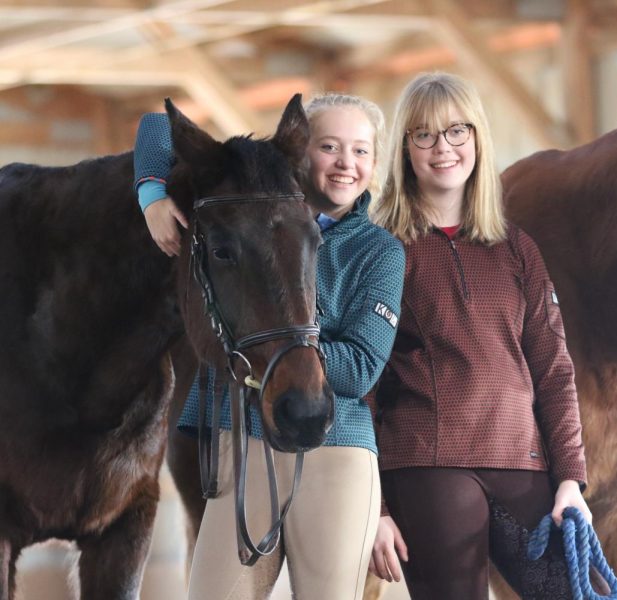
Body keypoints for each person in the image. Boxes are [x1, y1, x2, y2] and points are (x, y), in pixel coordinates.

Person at [133, 93, 405, 600]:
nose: (347, 163)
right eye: (329, 146)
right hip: (242, 437)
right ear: (299, 153)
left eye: (362, 150)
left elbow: (363, 366)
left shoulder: (379, 252)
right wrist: (152, 196)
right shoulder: (252, 218)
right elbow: (156, 125)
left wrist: (277, 349)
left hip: (337, 446)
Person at [367, 71, 591, 599]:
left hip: (522, 460)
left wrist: (570, 480)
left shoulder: (517, 249)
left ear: (477, 139)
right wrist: (373, 508)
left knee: (586, 591)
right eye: (424, 135)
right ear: (405, 149)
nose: (442, 148)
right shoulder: (382, 251)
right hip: (426, 463)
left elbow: (554, 371)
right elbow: (361, 389)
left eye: (456, 132)